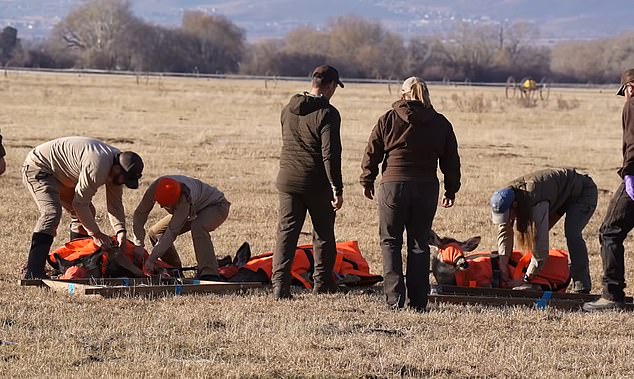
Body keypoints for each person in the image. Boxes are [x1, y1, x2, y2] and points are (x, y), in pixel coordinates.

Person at [360, 76, 461, 311]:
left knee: (391, 242)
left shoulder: (389, 118)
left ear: (403, 94)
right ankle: (418, 301)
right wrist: (451, 189)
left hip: (393, 186)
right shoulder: (440, 123)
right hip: (426, 188)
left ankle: (394, 299)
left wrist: (367, 179)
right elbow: (451, 160)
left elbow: (372, 151)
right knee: (419, 244)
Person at [22, 136, 144, 279]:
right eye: (124, 179)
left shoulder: (118, 168)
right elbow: (79, 204)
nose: (123, 182)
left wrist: (121, 231)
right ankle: (33, 270)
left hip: (63, 175)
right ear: (117, 169)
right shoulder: (98, 166)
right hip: (39, 167)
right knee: (52, 213)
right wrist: (96, 234)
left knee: (88, 213)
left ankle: (74, 262)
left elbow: (115, 205)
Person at [271, 65, 344, 299]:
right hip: (315, 182)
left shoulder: (288, 108)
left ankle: (280, 285)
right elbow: (329, 154)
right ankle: (322, 282)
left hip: (287, 179)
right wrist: (337, 187)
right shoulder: (328, 113)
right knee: (323, 232)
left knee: (287, 231)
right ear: (331, 86)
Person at [490, 168, 597, 293]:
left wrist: (525, 279)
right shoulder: (504, 197)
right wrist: (503, 264)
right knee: (533, 245)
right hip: (558, 195)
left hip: (582, 192)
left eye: (508, 215)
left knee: (572, 234)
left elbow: (540, 249)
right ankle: (547, 273)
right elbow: (505, 231)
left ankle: (581, 286)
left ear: (514, 206)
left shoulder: (536, 203)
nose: (507, 220)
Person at [584, 68, 634, 311]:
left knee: (610, 232)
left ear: (629, 87)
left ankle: (612, 294)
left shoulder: (632, 105)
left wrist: (630, 176)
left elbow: (632, 144)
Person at [131, 176, 230, 280]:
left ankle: (210, 273)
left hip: (216, 206)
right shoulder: (157, 186)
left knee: (198, 227)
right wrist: (138, 244)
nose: (161, 207)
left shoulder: (184, 199)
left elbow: (171, 233)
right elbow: (140, 213)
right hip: (193, 210)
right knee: (156, 232)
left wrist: (151, 260)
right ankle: (174, 270)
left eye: (167, 205)